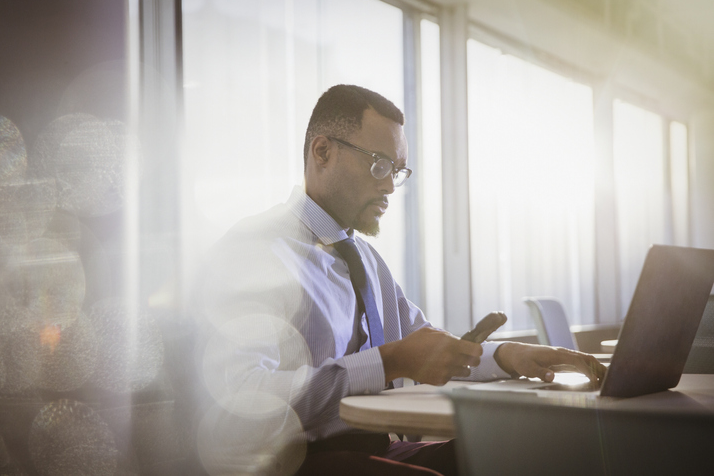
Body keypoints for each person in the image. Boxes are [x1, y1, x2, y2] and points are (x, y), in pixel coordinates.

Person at [198, 84, 606, 476]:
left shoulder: (367, 262)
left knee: (519, 455)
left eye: (396, 169)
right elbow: (244, 399)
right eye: (378, 164)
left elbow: (425, 346)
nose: (390, 185)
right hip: (297, 462)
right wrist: (388, 361)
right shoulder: (256, 250)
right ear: (322, 152)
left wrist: (507, 357)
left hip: (378, 447)